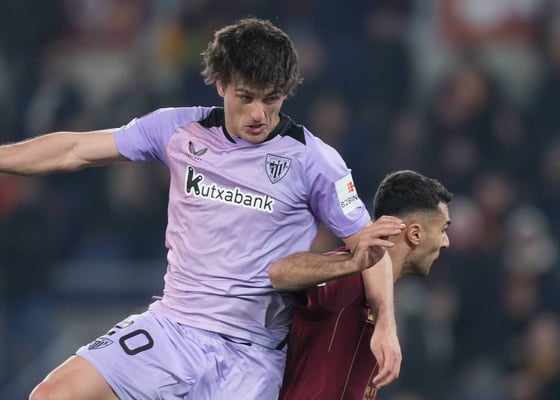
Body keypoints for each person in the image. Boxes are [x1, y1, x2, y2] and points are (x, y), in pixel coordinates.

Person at [0, 18, 403, 400]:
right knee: (53, 394)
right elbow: (74, 149)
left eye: (271, 98)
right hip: (173, 327)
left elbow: (370, 250)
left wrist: (385, 323)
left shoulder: (315, 160)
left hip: (252, 354)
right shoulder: (178, 130)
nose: (259, 113)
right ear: (221, 84)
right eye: (246, 97)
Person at [270, 169, 453, 400]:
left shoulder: (383, 298)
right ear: (415, 234)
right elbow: (279, 272)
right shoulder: (350, 276)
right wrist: (352, 263)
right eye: (443, 230)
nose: (446, 242)